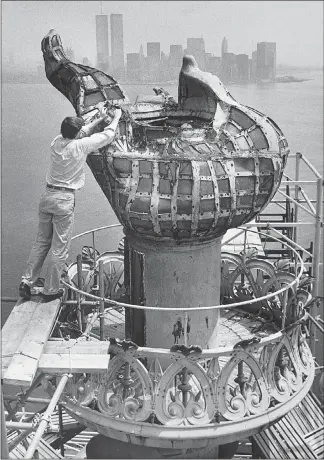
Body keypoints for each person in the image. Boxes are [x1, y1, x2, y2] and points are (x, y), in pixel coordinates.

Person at [19, 105, 122, 302]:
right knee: (59, 247)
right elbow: (107, 136)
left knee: (41, 242)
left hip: (47, 196)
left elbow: (81, 131)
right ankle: (51, 289)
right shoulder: (80, 146)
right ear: (75, 133)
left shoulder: (56, 143)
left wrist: (98, 120)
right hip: (64, 200)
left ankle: (26, 282)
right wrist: (115, 117)